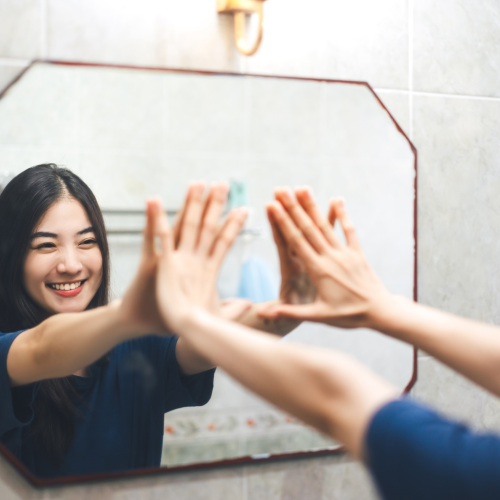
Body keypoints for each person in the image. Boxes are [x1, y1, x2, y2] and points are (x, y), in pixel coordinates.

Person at [150, 186, 500, 500]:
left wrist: (190, 317)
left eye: (92, 241)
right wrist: (383, 308)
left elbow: (337, 394)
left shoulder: (474, 475)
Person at [0, 164, 252, 478]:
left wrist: (286, 310)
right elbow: (41, 348)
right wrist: (125, 315)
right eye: (46, 245)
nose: (71, 264)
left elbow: (208, 344)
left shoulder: (135, 347)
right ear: (10, 258)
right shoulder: (9, 351)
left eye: (86, 242)